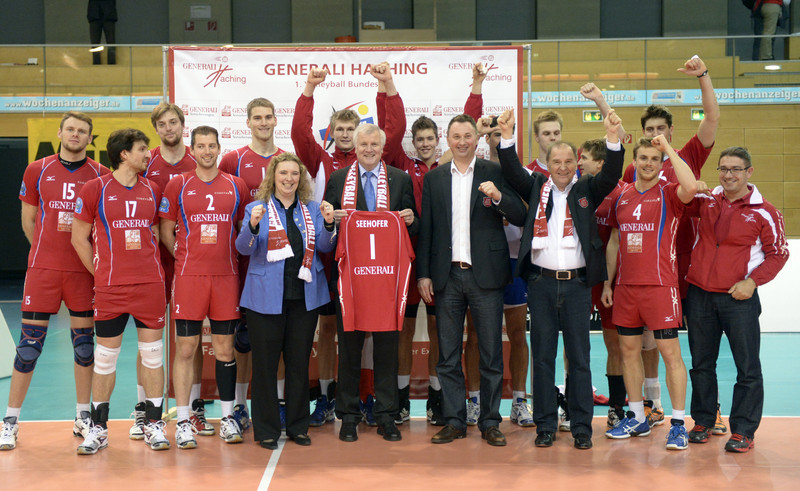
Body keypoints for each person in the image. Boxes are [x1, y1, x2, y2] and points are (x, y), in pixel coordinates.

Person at [582, 56, 721, 430]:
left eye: (661, 131)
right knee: (638, 346)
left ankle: (702, 413)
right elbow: (619, 137)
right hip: (635, 276)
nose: (653, 144)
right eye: (649, 132)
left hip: (685, 266)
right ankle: (647, 409)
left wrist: (703, 77)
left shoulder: (683, 159)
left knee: (693, 347)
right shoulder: (630, 178)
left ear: (670, 135)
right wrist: (601, 102)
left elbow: (711, 119)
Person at [496, 109, 623, 450]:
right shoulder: (536, 187)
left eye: (569, 161)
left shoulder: (587, 190)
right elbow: (510, 169)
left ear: (577, 163)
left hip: (578, 285)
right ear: (547, 164)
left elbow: (612, 175)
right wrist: (506, 136)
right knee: (543, 356)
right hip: (540, 284)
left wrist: (613, 140)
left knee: (580, 357)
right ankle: (546, 426)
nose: (563, 167)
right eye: (557, 162)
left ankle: (581, 426)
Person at [375, 61, 484, 426]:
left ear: (440, 140)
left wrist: (477, 89)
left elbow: (469, 128)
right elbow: (391, 128)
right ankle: (403, 399)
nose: (423, 144)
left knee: (442, 331)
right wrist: (386, 87)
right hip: (403, 260)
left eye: (429, 139)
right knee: (404, 331)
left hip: (442, 261)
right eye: (418, 140)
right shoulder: (400, 165)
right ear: (413, 143)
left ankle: (440, 399)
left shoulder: (451, 164)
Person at [0, 112, 108, 451]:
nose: (75, 135)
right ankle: (10, 421)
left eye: (83, 131)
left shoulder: (101, 175)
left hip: (81, 273)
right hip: (44, 272)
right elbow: (29, 220)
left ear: (91, 139)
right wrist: (46, 255)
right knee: (29, 347)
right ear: (60, 132)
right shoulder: (38, 169)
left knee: (84, 347)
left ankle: (81, 416)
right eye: (71, 129)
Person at [417, 114, 526, 447]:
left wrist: (498, 197)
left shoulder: (494, 172)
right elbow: (427, 231)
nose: (462, 141)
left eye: (468, 135)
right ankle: (454, 420)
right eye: (456, 136)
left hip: (486, 277)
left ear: (476, 139)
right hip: (447, 276)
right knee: (448, 355)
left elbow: (520, 215)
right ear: (446, 140)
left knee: (492, 352)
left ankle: (490, 421)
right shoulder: (434, 179)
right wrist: (423, 273)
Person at [684, 147, 788, 453]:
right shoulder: (705, 201)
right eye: (723, 169)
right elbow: (682, 194)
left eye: (736, 170)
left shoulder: (765, 212)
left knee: (747, 367)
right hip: (700, 296)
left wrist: (752, 282)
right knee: (702, 365)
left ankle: (744, 430)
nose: (728, 175)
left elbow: (779, 253)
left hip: (738, 299)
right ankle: (703, 420)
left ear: (749, 173)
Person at [72, 128, 167, 454]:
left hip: (149, 285)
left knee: (153, 358)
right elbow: (78, 238)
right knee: (105, 359)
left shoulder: (152, 189)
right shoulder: (94, 189)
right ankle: (98, 429)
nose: (147, 154)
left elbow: (154, 233)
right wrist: (101, 275)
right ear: (124, 154)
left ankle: (154, 424)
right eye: (142, 149)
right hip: (111, 289)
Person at [602, 136, 697, 451]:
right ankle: (636, 415)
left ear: (661, 163)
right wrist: (607, 284)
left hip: (660, 287)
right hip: (626, 288)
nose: (648, 164)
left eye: (654, 159)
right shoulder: (622, 195)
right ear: (635, 161)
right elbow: (615, 240)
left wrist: (668, 149)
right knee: (628, 351)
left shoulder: (670, 192)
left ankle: (679, 424)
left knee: (670, 355)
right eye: (643, 158)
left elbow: (692, 186)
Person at [324, 123, 417, 443]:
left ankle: (386, 415)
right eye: (363, 144)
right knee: (349, 349)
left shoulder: (400, 179)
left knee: (387, 350)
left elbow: (413, 224)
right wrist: (330, 219)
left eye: (373, 144)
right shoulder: (337, 180)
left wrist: (409, 218)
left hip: (386, 283)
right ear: (356, 146)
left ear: (382, 146)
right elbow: (327, 228)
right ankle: (348, 416)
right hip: (352, 280)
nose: (367, 149)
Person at [236, 153, 336, 450]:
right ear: (273, 177)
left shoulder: (313, 209)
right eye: (283, 174)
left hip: (304, 299)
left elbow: (325, 247)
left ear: (300, 178)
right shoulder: (256, 208)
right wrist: (252, 226)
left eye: (295, 174)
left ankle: (297, 426)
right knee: (265, 366)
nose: (289, 179)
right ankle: (265, 429)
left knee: (298, 365)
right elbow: (243, 248)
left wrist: (330, 225)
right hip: (264, 299)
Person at [159, 126, 250, 449]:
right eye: (201, 146)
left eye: (212, 146)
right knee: (186, 349)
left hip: (226, 278)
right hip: (189, 279)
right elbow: (166, 231)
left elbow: (242, 230)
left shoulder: (236, 185)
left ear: (219, 148)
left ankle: (227, 418)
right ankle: (183, 421)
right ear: (192, 150)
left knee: (225, 350)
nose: (207, 151)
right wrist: (186, 257)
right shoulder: (178, 184)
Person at [131, 102, 206, 441]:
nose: (168, 128)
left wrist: (186, 256)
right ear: (156, 129)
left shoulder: (198, 160)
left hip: (191, 264)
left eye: (173, 122)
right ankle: (143, 411)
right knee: (148, 340)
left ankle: (196, 407)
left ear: (182, 125)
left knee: (191, 338)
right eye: (161, 124)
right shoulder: (148, 163)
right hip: (152, 262)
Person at [292, 69, 360, 427]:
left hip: (364, 257)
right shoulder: (319, 160)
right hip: (325, 255)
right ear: (331, 133)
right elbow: (299, 133)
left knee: (361, 328)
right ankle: (326, 393)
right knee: (329, 327)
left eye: (352, 129)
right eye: (340, 130)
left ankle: (358, 395)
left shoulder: (370, 162)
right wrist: (309, 89)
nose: (346, 135)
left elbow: (393, 134)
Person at [219, 97, 287, 431]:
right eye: (257, 117)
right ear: (247, 122)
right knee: (242, 340)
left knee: (280, 337)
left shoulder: (286, 160)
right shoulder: (233, 159)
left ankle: (278, 403)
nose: (263, 123)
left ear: (276, 121)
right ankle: (240, 406)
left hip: (278, 266)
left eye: (268, 117)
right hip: (243, 262)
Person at [463, 118, 534, 428]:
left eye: (498, 134)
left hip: (515, 261)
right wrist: (475, 133)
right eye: (487, 135)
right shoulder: (471, 171)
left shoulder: (524, 175)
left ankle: (519, 401)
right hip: (482, 263)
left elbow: (530, 217)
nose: (493, 140)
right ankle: (475, 401)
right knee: (476, 335)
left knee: (518, 334)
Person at [577, 137, 626, 429]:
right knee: (575, 344)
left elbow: (616, 243)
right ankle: (575, 402)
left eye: (584, 158)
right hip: (580, 279)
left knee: (615, 345)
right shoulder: (578, 190)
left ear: (601, 163)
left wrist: (609, 281)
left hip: (611, 280)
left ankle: (618, 407)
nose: (578, 162)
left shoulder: (621, 194)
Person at [528, 110, 563, 174]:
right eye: (546, 133)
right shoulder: (529, 172)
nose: (553, 138)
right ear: (537, 137)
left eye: (556, 133)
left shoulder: (572, 171)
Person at [87, 0, 116, 65]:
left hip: (108, 14)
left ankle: (112, 63)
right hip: (94, 14)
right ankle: (96, 63)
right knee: (95, 42)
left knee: (111, 42)